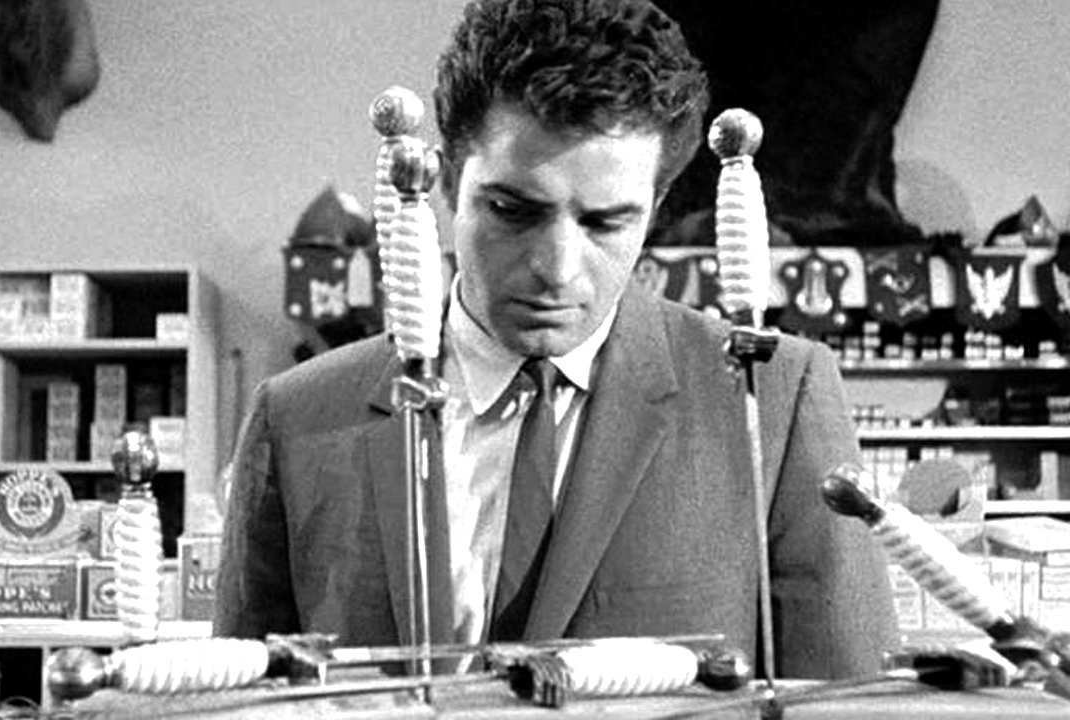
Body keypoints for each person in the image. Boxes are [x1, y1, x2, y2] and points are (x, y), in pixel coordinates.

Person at [214, 0, 896, 680]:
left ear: (656, 207)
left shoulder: (771, 405)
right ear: (447, 179)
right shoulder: (297, 420)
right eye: (513, 211)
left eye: (606, 223)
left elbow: (848, 701)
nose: (558, 269)